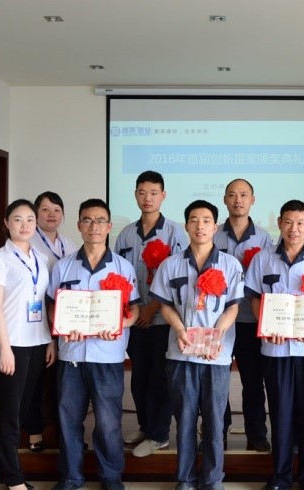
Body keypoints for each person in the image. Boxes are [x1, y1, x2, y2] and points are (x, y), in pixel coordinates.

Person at [244, 199, 304, 490]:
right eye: (288, 222)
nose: (294, 229)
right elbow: (254, 298)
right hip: (276, 349)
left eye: (300, 223)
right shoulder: (263, 259)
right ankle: (281, 477)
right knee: (281, 412)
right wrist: (267, 324)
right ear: (279, 223)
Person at [149, 200, 244, 490]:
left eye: (206, 220)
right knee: (185, 420)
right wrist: (179, 329)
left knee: (215, 422)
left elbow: (233, 307)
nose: (200, 226)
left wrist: (218, 333)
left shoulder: (230, 264)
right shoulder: (171, 264)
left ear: (215, 227)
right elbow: (164, 305)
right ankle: (186, 479)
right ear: (186, 225)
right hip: (181, 354)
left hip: (216, 355)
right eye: (193, 220)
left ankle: (213, 479)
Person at [47, 199, 141, 490]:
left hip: (108, 356)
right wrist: (61, 326)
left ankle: (110, 476)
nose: (94, 226)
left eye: (100, 220)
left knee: (108, 421)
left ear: (109, 226)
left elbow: (134, 310)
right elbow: (52, 306)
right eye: (87, 220)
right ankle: (71, 476)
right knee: (69, 418)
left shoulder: (123, 267)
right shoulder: (63, 267)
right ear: (79, 226)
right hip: (71, 355)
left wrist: (120, 324)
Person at [113, 170, 187, 457]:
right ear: (135, 195)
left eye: (154, 193)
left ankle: (159, 434)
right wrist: (133, 312)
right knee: (139, 377)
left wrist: (151, 308)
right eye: (142, 192)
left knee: (159, 378)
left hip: (161, 318)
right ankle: (145, 427)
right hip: (134, 318)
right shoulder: (125, 234)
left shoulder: (175, 232)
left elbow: (176, 276)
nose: (148, 198)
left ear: (163, 196)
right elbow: (118, 275)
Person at [0, 199, 56, 490]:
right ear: (6, 223)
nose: (24, 225)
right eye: (17, 219)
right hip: (12, 343)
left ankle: (1, 476)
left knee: (24, 408)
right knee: (11, 414)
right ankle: (15, 480)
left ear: (36, 224)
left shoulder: (41, 257)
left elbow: (44, 302)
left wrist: (50, 341)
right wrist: (4, 348)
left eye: (30, 219)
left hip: (37, 341)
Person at [214, 178, 273, 452]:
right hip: (220, 322)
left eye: (244, 195)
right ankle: (217, 431)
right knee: (218, 381)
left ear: (252, 200)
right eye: (232, 195)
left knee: (253, 381)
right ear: (225, 199)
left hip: (250, 320)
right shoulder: (213, 235)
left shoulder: (264, 238)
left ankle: (257, 433)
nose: (238, 200)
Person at [25, 191, 78, 452]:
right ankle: (35, 432)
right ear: (36, 214)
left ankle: (64, 433)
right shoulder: (28, 241)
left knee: (63, 382)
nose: (51, 215)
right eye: (45, 210)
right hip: (36, 319)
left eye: (57, 210)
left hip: (66, 318)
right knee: (35, 380)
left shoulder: (69, 243)